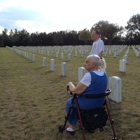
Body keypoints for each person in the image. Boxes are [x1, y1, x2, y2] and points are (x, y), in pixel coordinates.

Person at [65, 54, 108, 134]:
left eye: (87, 62)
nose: (84, 64)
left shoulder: (89, 75)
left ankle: (71, 127)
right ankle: (84, 121)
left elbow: (75, 91)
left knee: (70, 102)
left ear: (93, 64)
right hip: (100, 102)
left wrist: (70, 84)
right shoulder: (104, 73)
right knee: (75, 101)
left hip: (88, 104)